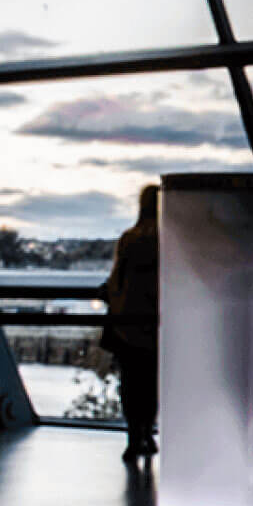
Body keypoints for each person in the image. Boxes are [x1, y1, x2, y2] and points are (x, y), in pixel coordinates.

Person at [100, 186, 161, 464]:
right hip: (156, 325)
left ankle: (133, 435)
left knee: (131, 384)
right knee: (151, 384)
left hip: (126, 323)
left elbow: (116, 281)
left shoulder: (129, 239)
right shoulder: (168, 239)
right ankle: (148, 432)